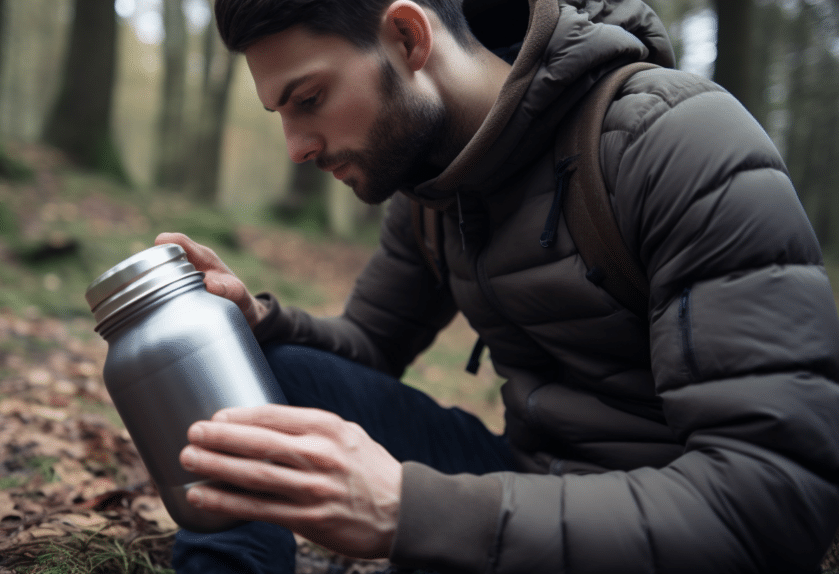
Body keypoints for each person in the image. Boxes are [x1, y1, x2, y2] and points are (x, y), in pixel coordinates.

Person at [154, 0, 839, 571]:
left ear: (406, 36)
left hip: (671, 523)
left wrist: (408, 509)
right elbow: (367, 346)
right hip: (523, 479)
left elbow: (773, 501)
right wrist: (257, 323)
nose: (297, 146)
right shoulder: (430, 186)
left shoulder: (675, 144)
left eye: (309, 99)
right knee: (257, 370)